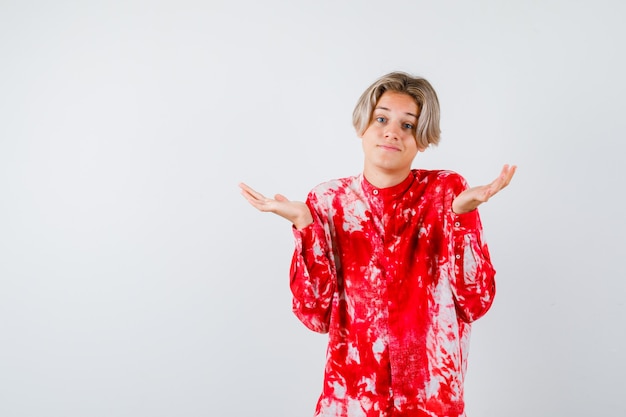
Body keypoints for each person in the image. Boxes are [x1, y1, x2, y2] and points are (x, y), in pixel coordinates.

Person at [239, 71, 516, 417]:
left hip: (429, 403)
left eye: (408, 125)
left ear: (423, 140)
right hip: (352, 401)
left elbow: (475, 302)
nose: (392, 132)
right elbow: (314, 315)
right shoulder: (328, 202)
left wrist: (463, 217)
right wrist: (304, 224)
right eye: (382, 118)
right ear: (362, 126)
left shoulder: (446, 193)